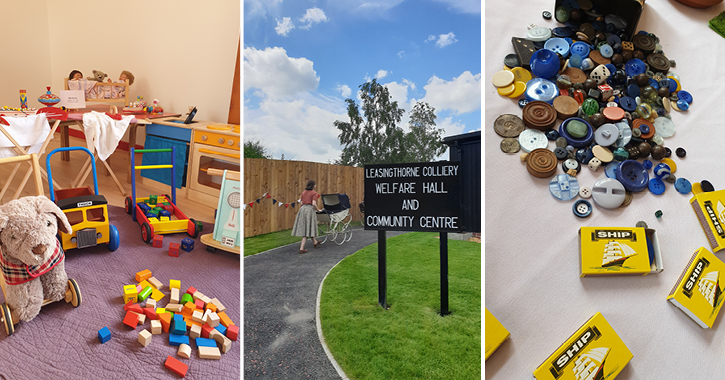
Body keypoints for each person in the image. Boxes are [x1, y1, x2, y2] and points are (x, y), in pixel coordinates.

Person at [291, 179, 324, 253]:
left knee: (308, 227)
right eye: (315, 184)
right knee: (307, 230)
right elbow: (314, 203)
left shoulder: (303, 192)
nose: (316, 185)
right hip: (309, 210)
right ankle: (301, 248)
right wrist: (318, 210)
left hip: (302, 210)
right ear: (313, 185)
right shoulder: (314, 193)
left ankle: (315, 242)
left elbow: (301, 203)